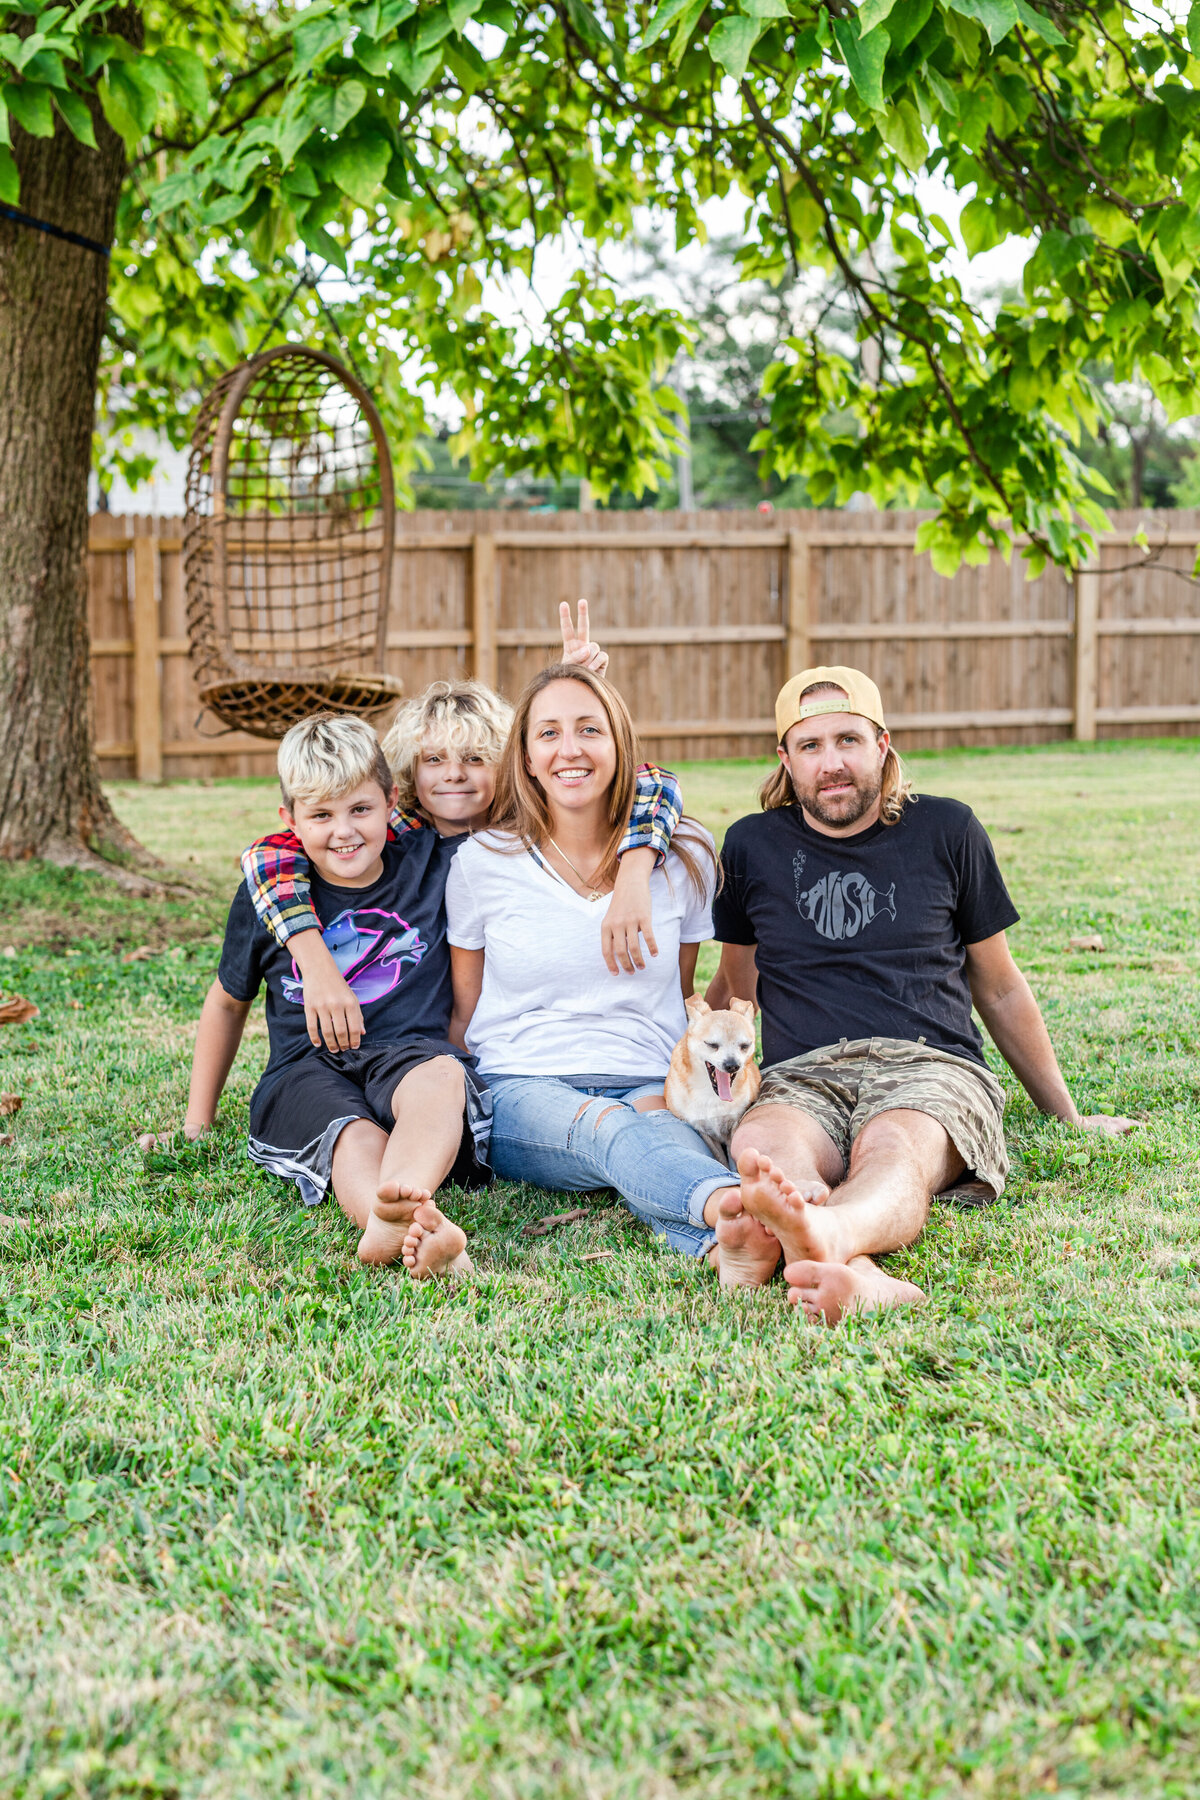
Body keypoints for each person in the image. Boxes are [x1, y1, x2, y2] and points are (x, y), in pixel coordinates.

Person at [705, 664, 1136, 1324]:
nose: (832, 764)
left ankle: (827, 1236)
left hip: (930, 1066)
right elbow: (740, 986)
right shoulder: (751, 846)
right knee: (767, 1145)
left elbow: (998, 988)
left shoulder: (947, 831)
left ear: (882, 745)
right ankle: (850, 1263)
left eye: (849, 740)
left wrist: (1068, 1115)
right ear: (786, 760)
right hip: (802, 1074)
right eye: (811, 746)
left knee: (894, 1149)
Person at [241, 602, 682, 1058]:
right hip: (426, 1028)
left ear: (510, 761)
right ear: (409, 769)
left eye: (474, 758)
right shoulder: (400, 833)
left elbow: (653, 783)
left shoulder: (522, 824)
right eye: (434, 760)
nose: (454, 774)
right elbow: (266, 856)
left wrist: (569, 697)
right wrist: (314, 963)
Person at [445, 663, 758, 1272]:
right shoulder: (482, 861)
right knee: (607, 1129)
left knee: (662, 1135)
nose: (570, 750)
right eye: (549, 733)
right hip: (521, 1084)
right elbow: (465, 1009)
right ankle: (736, 1209)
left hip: (648, 1076)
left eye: (590, 730)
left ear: (621, 747)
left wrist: (634, 873)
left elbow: (677, 992)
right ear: (527, 758)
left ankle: (726, 1249)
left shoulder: (684, 856)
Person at [179, 713, 487, 1279]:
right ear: (289, 820)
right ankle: (387, 1217)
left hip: (407, 1054)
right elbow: (227, 1001)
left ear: (392, 801)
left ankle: (400, 1215)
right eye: (321, 815)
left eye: (360, 810)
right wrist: (198, 1120)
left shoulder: (430, 862)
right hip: (305, 1069)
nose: (344, 831)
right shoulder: (269, 898)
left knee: (443, 1076)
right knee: (351, 1133)